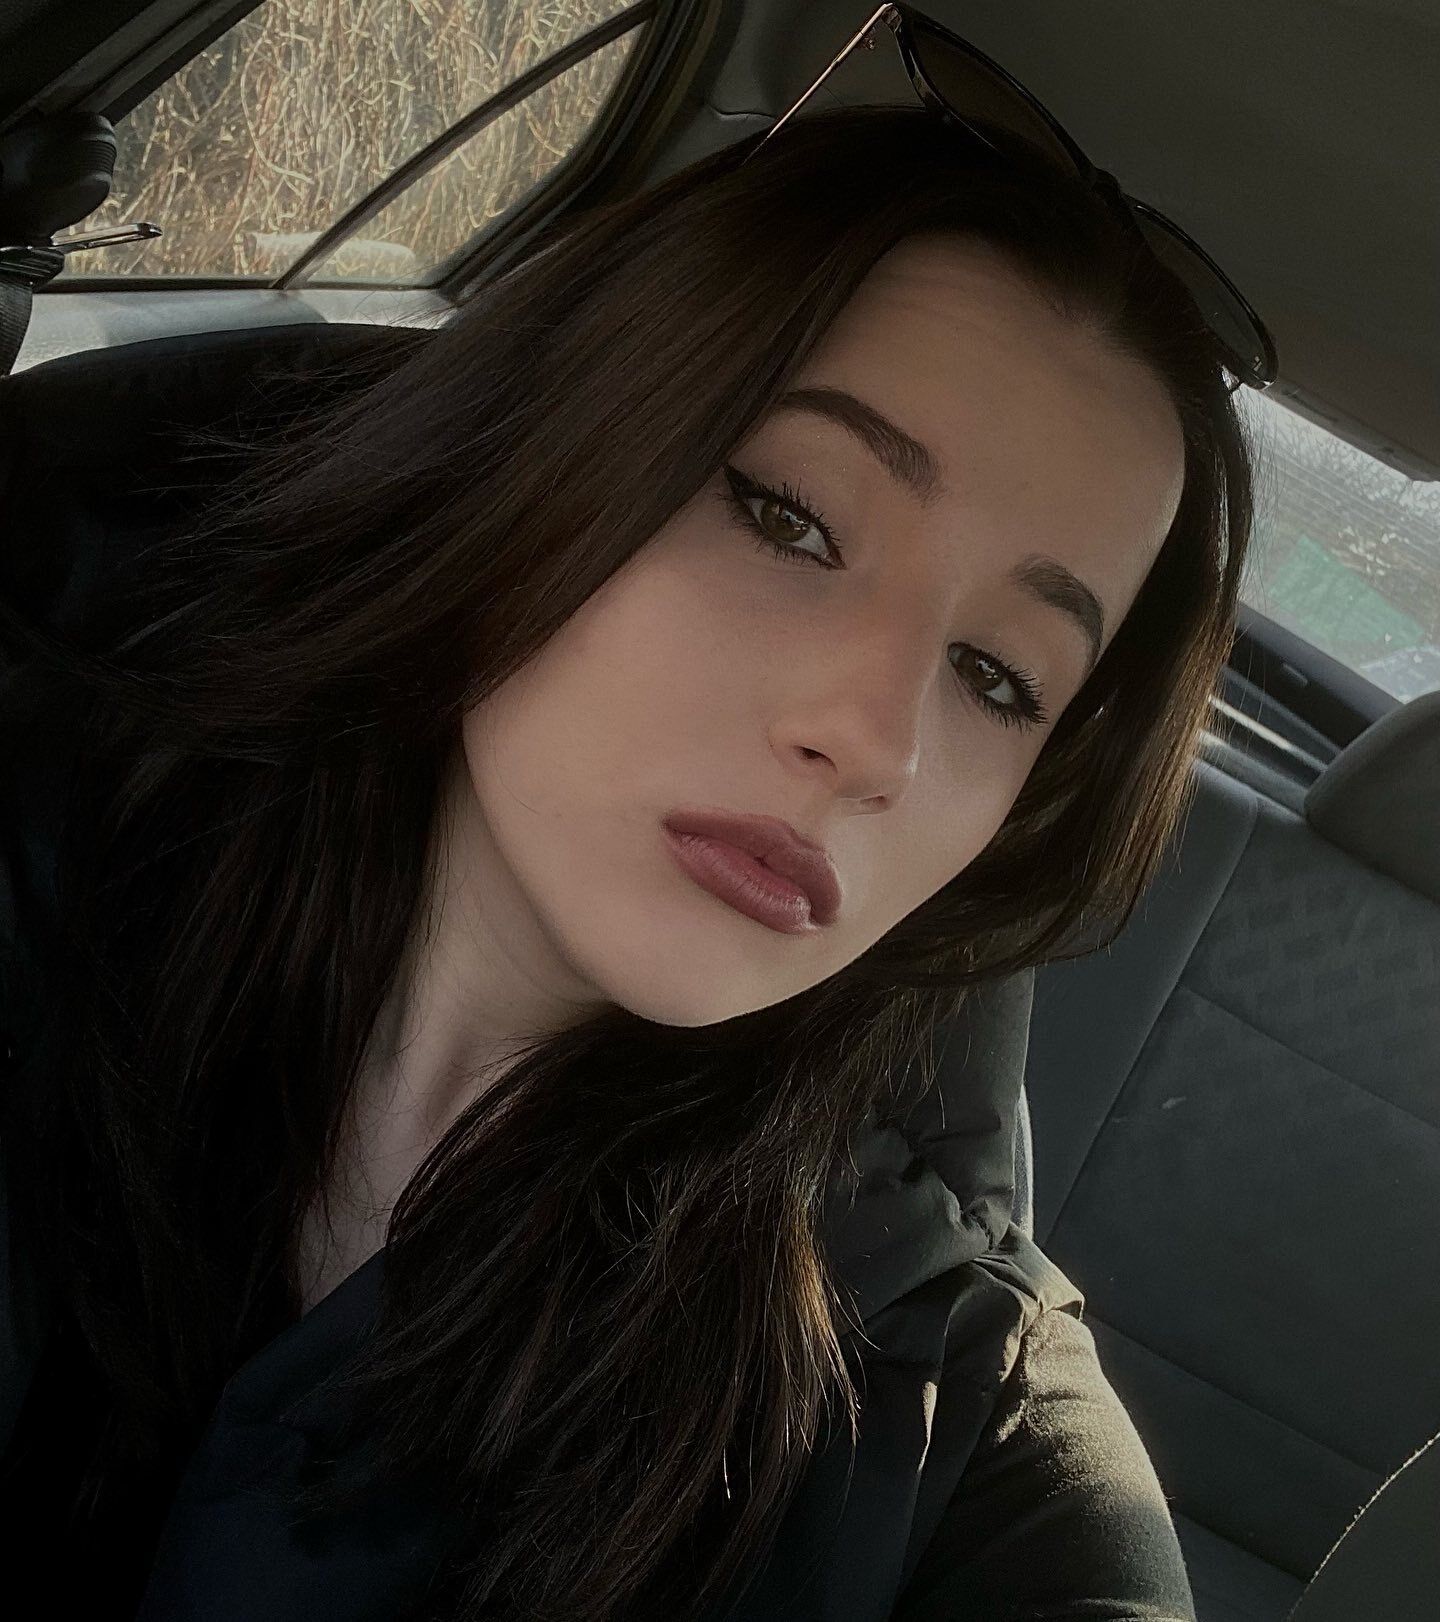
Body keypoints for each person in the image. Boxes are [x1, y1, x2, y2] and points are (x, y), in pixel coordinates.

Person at [0, 95, 1262, 1621]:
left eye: (1000, 676)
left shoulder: (941, 1424)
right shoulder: (51, 815)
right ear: (551, 434)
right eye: (792, 517)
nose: (881, 742)